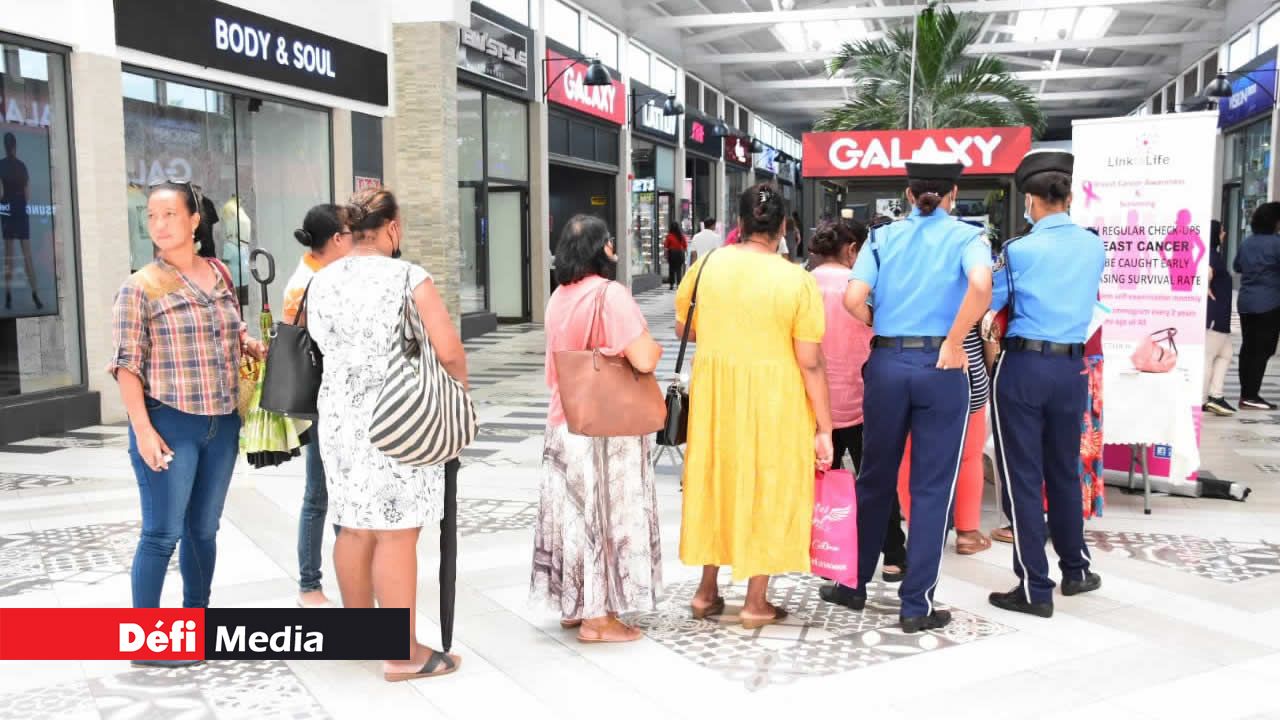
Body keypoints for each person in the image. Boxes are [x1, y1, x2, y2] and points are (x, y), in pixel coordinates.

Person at [306, 188, 467, 681]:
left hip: (338, 419)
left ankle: (361, 637)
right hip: (399, 416)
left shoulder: (321, 280)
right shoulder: (409, 277)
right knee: (397, 533)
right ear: (392, 228)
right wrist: (458, 399)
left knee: (353, 525)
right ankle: (402, 654)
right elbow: (449, 351)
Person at [110, 180, 266, 668]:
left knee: (204, 530)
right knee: (162, 533)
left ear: (194, 220)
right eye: (152, 217)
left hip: (221, 424)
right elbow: (126, 365)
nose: (158, 225)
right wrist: (143, 431)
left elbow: (231, 329)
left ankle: (195, 626)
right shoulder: (140, 287)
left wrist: (249, 344)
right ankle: (146, 642)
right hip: (169, 422)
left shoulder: (219, 273)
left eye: (170, 215)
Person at [838, 149, 992, 633]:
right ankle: (916, 604)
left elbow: (851, 298)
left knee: (875, 476)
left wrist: (878, 323)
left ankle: (853, 585)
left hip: (887, 363)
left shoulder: (881, 237)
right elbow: (981, 285)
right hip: (942, 367)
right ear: (953, 194)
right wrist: (954, 339)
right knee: (931, 486)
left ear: (908, 194)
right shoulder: (968, 236)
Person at [678, 183, 832, 629]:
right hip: (775, 401)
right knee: (767, 486)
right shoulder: (796, 280)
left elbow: (684, 326)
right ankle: (755, 601)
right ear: (783, 228)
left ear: (740, 224)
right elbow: (810, 361)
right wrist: (825, 427)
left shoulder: (706, 266)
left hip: (715, 400)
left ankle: (706, 591)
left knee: (715, 481)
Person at [531, 214, 664, 643]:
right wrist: (652, 344)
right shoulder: (610, 295)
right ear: (602, 248)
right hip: (605, 429)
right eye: (610, 241)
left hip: (563, 422)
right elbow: (643, 357)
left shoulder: (558, 296)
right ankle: (599, 619)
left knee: (573, 518)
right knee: (607, 517)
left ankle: (575, 606)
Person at [987, 149, 1106, 619]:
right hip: (1071, 370)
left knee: (1021, 476)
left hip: (1023, 368)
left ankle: (1035, 586)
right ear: (1069, 197)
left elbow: (990, 299)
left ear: (1030, 201)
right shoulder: (1093, 245)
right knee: (1063, 471)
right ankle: (1076, 569)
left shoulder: (1017, 251)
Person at [807, 220, 908, 592]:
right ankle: (894, 556)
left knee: (820, 487)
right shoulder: (863, 287)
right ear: (852, 250)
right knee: (879, 483)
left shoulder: (804, 284)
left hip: (815, 408)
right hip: (866, 401)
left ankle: (827, 557)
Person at [283, 204, 354, 609]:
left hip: (330, 397)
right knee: (320, 495)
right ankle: (310, 586)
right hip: (322, 400)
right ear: (338, 239)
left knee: (333, 493)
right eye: (350, 232)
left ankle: (347, 579)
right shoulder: (312, 282)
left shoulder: (316, 274)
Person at [1233, 203, 1280, 410]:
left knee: (1248, 348)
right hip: (1269, 304)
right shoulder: (1277, 243)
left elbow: (1237, 266)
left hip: (1246, 303)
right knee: (1263, 350)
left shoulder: (1247, 242)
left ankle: (1246, 394)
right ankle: (1251, 395)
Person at [1, 132, 40, 311]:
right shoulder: (22, 166)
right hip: (20, 210)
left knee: (9, 255)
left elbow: (1, 193)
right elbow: (28, 194)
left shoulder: (1, 165)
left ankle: (8, 296)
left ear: (5, 146)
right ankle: (35, 294)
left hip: (8, 210)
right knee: (27, 255)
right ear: (15, 146)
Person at [1204, 220, 1236, 416]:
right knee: (1208, 357)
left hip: (1220, 316)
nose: (1224, 234)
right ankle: (1205, 398)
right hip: (1214, 317)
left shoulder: (1214, 255)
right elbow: (1204, 274)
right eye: (1222, 231)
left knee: (1226, 354)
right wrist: (1206, 286)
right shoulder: (1211, 256)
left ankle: (1215, 396)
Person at [664, 221, 688, 289]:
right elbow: (685, 246)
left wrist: (666, 255)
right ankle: (679, 284)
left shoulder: (669, 236)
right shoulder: (681, 236)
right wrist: (685, 254)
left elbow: (666, 247)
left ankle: (671, 284)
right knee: (678, 269)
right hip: (680, 253)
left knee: (671, 269)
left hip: (672, 253)